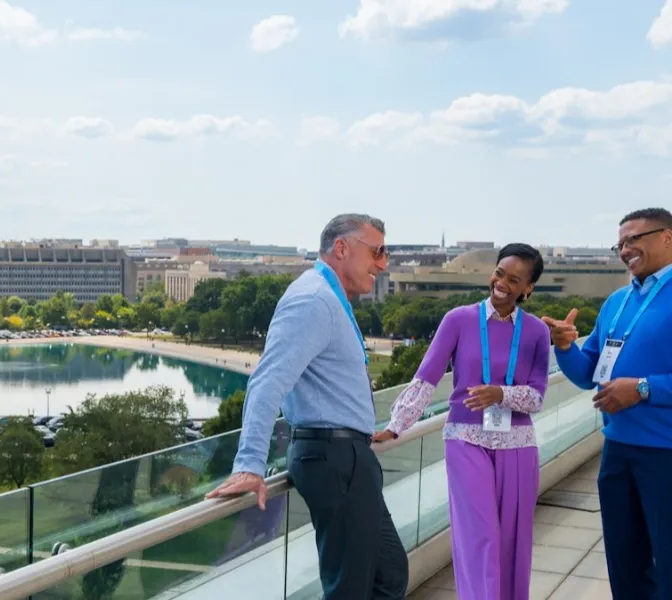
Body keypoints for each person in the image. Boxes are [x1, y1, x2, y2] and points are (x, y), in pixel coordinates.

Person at [541, 208, 672, 600]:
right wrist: (565, 347)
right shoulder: (617, 301)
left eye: (634, 239)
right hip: (619, 452)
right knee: (626, 567)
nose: (625, 250)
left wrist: (644, 389)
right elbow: (590, 374)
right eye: (620, 243)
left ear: (667, 237)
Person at [205, 213, 404, 599]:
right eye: (377, 251)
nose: (383, 263)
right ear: (342, 248)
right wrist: (249, 464)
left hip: (348, 454)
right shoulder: (313, 300)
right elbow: (267, 380)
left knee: (389, 574)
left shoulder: (330, 298)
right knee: (350, 589)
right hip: (334, 457)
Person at [376, 243, 552, 600]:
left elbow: (536, 396)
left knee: (513, 539)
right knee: (479, 535)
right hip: (465, 439)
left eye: (514, 279)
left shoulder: (536, 332)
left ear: (528, 288)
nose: (501, 283)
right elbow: (427, 376)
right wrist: (397, 424)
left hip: (518, 445)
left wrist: (500, 394)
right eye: (499, 273)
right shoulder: (458, 320)